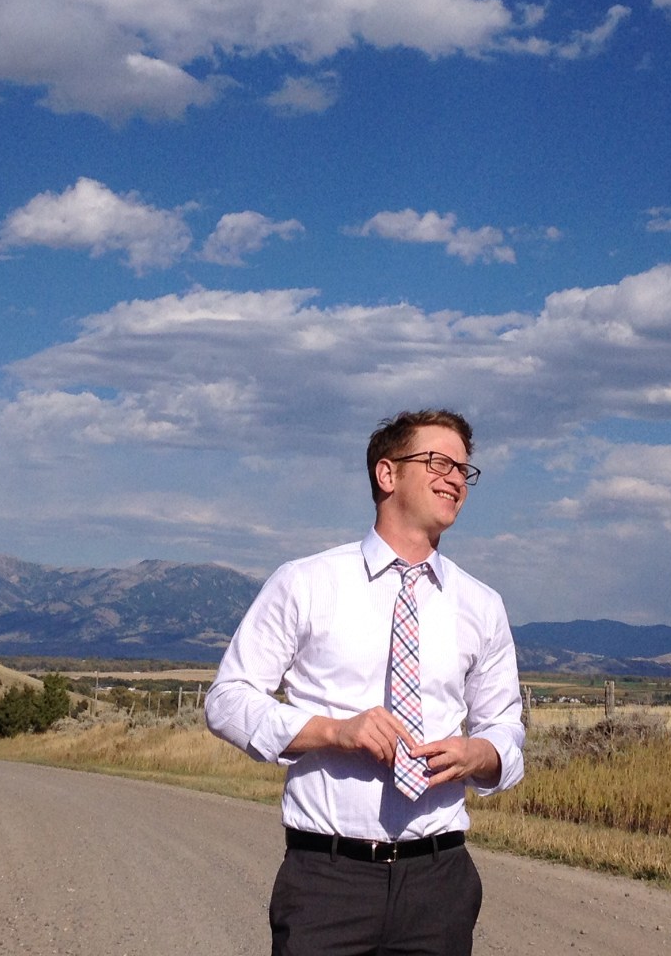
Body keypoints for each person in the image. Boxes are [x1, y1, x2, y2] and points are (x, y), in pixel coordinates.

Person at [205, 409, 524, 956]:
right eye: (438, 462)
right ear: (387, 473)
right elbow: (228, 701)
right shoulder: (306, 583)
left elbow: (506, 730)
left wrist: (480, 753)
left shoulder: (482, 606)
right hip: (327, 882)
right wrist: (333, 732)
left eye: (464, 471)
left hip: (439, 883)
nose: (455, 479)